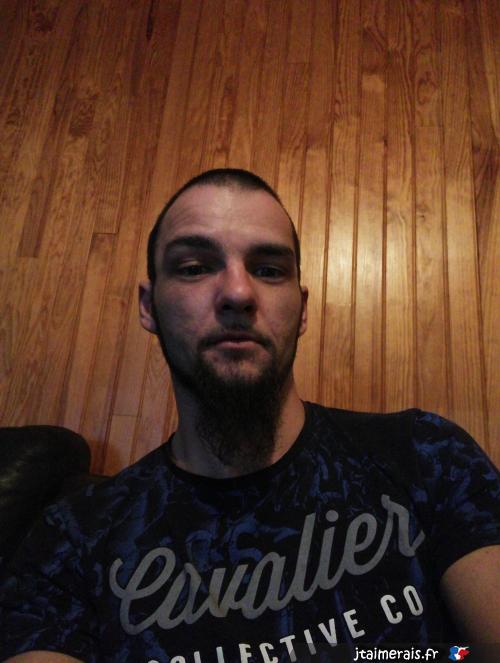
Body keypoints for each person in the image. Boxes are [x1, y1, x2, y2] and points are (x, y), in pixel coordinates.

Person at [0, 168, 499, 663]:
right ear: (149, 307)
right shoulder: (71, 539)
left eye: (269, 270)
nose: (238, 293)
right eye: (194, 267)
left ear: (302, 309)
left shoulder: (425, 454)